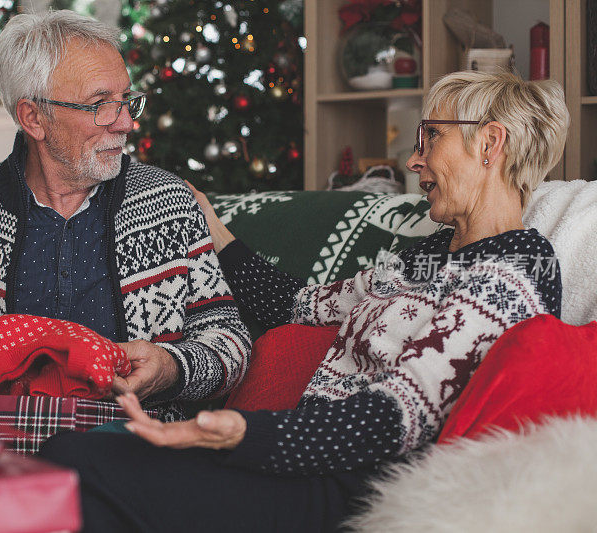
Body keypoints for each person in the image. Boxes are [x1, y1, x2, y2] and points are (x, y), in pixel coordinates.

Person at [38, 70, 569, 532]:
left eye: (430, 137)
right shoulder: (425, 256)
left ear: (489, 144)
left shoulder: (518, 262)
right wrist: (213, 227)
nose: (413, 159)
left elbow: (401, 415)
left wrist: (240, 434)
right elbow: (296, 307)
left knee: (81, 468)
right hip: (293, 463)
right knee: (70, 459)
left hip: (350, 490)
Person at [0, 10, 250, 407]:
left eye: (126, 100)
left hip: (132, 450)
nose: (127, 122)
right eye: (101, 104)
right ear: (34, 118)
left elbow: (229, 340)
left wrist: (172, 367)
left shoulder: (169, 202)